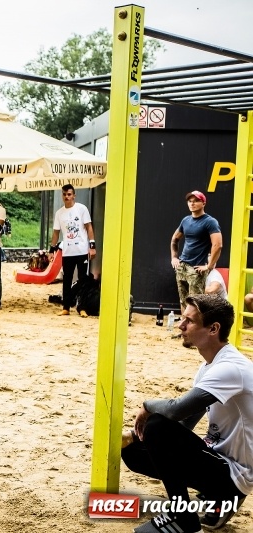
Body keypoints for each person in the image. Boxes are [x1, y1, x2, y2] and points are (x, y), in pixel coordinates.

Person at [120, 294, 251, 533]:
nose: (181, 325)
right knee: (133, 452)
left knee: (157, 425)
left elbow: (176, 409)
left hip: (233, 475)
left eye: (188, 321)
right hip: (217, 461)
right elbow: (185, 422)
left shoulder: (230, 368)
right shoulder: (209, 367)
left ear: (213, 328)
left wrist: (147, 406)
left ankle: (183, 519)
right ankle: (214, 499)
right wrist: (134, 435)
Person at [171, 191, 222, 313]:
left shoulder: (210, 222)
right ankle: (185, 329)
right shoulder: (186, 220)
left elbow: (218, 245)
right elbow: (175, 239)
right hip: (182, 266)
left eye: (196, 201)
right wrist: (174, 257)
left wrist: (209, 266)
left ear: (203, 203)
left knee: (195, 303)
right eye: (190, 201)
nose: (192, 203)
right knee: (183, 300)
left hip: (196, 268)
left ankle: (196, 330)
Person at [50, 184, 96, 317]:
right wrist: (51, 250)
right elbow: (56, 233)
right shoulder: (59, 213)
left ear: (74, 195)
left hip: (81, 250)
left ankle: (82, 307)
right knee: (67, 279)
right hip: (68, 251)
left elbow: (89, 227)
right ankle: (66, 307)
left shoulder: (82, 209)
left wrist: (92, 246)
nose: (66, 197)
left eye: (69, 194)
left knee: (83, 280)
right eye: (64, 194)